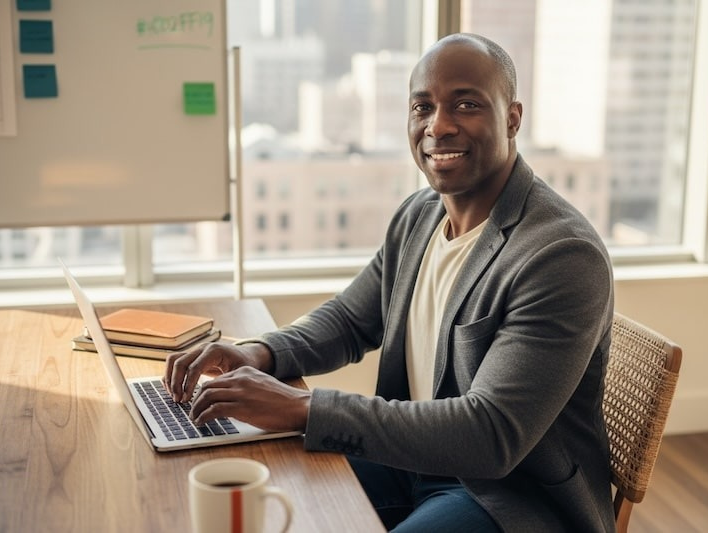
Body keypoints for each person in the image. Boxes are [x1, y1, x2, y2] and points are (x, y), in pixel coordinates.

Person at [165, 33, 616, 533]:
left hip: (508, 497)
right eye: (422, 106)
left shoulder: (561, 255)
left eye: (465, 104)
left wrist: (302, 406)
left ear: (512, 117)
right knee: (266, 489)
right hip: (413, 463)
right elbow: (350, 321)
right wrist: (258, 353)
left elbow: (491, 435)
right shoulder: (419, 216)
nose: (438, 126)